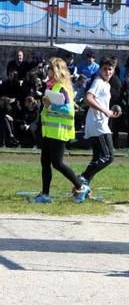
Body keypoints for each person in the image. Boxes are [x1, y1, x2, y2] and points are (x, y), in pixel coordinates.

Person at [32, 58, 91, 204]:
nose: (48, 72)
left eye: (51, 69)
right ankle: (45, 194)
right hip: (49, 131)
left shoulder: (62, 88)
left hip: (59, 132)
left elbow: (68, 110)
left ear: (57, 71)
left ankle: (81, 186)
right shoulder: (52, 86)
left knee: (57, 163)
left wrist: (50, 105)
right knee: (45, 162)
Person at [77, 57, 121, 189]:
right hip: (98, 124)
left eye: (110, 69)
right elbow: (88, 98)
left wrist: (111, 112)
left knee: (97, 157)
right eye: (104, 69)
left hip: (97, 122)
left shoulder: (106, 84)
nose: (107, 72)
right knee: (109, 156)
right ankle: (83, 177)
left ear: (113, 70)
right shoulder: (98, 82)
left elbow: (101, 102)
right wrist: (105, 111)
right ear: (99, 70)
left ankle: (83, 187)